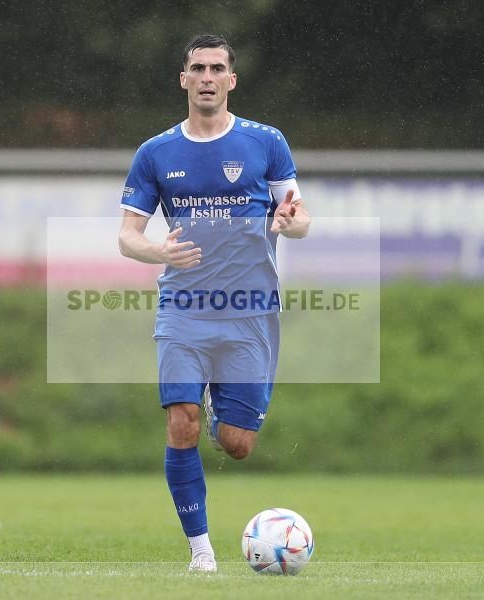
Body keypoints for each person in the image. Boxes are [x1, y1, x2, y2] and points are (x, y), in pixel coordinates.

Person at [117, 33, 310, 572]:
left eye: (216, 68)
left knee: (236, 443)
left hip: (250, 311)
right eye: (197, 68)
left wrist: (292, 222)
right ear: (184, 79)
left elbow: (299, 216)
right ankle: (201, 553)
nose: (206, 77)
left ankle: (217, 409)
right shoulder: (156, 153)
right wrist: (159, 249)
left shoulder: (265, 142)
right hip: (183, 309)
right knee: (180, 422)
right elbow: (127, 236)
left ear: (231, 80)